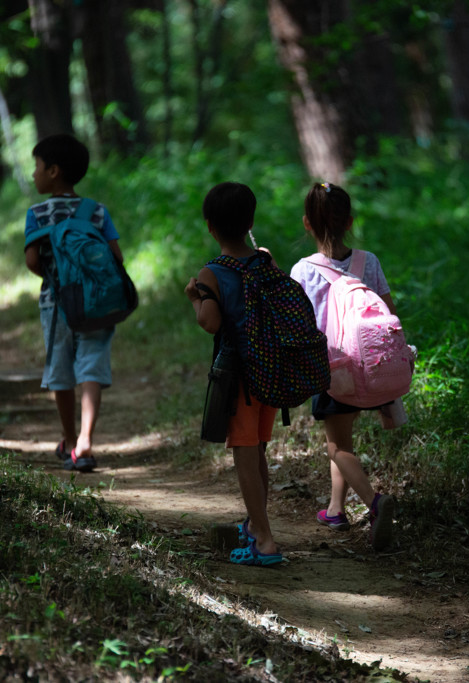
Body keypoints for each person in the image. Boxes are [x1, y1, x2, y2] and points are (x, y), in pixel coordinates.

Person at [290, 182, 396, 551]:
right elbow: (390, 314)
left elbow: (296, 324)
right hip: (370, 368)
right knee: (342, 438)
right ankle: (335, 509)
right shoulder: (369, 262)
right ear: (349, 221)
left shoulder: (303, 271)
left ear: (307, 223)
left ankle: (376, 503)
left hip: (330, 369)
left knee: (336, 447)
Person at [184, 182, 284, 566]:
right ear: (251, 222)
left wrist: (196, 298)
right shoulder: (265, 259)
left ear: (210, 227)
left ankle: (264, 539)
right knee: (256, 447)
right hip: (271, 370)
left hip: (239, 378)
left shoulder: (211, 273)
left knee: (243, 453)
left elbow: (210, 323)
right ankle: (256, 522)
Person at [24, 133, 123, 473]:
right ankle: (86, 440)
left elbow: (33, 261)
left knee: (61, 370)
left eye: (36, 166)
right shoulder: (96, 211)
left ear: (53, 171)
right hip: (98, 303)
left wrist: (57, 279)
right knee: (91, 367)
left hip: (57, 304)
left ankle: (67, 439)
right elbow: (115, 256)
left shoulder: (37, 213)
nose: (34, 173)